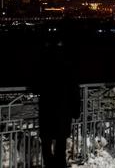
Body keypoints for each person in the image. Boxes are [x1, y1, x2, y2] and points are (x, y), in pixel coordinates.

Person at [35, 37, 81, 168]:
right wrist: (76, 110)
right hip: (63, 112)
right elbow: (74, 90)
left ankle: (49, 165)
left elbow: (36, 86)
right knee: (60, 145)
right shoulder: (69, 66)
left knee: (46, 143)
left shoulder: (43, 64)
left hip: (47, 110)